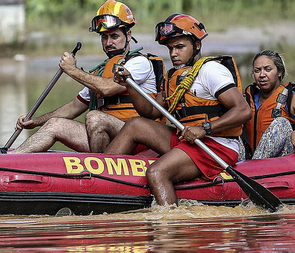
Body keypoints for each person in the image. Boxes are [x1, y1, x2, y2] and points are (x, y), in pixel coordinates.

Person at [105, 14, 251, 206]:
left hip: (216, 144)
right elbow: (149, 112)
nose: (173, 53)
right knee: (135, 124)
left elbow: (243, 111)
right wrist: (130, 85)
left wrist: (204, 129)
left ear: (196, 45)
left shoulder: (211, 71)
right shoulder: (173, 77)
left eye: (180, 47)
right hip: (187, 139)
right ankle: (102, 178)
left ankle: (170, 224)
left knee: (157, 172)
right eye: (170, 48)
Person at [10, 0, 164, 153]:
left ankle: (100, 171)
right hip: (110, 140)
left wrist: (72, 70)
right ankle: (10, 161)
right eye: (104, 37)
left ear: (128, 35)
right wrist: (36, 121)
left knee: (95, 117)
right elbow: (73, 108)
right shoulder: (99, 74)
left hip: (139, 139)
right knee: (55, 124)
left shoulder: (140, 63)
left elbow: (108, 88)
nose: (109, 42)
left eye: (114, 36)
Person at [242, 50, 295, 159]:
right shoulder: (245, 99)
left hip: (279, 162)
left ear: (280, 72)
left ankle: (255, 168)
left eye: (268, 69)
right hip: (247, 161)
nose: (262, 75)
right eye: (257, 70)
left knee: (281, 123)